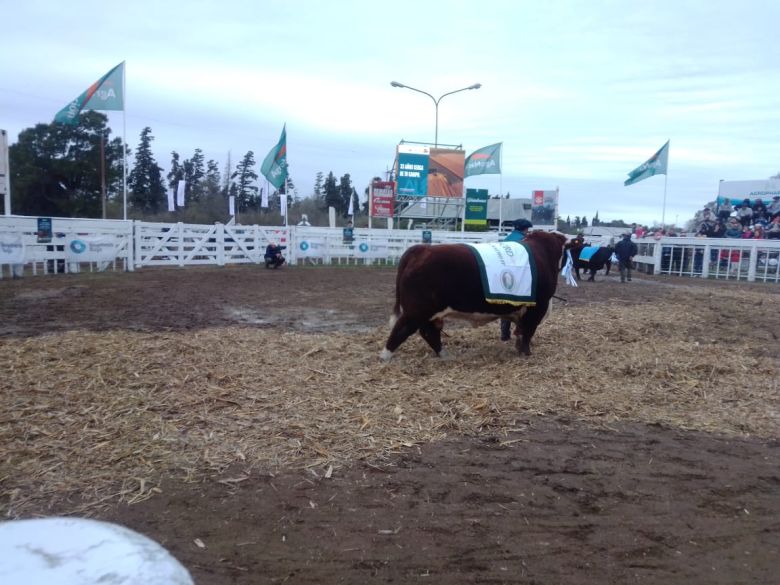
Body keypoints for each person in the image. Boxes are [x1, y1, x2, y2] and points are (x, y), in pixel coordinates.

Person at [500, 219, 533, 341]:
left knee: (505, 303)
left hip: (505, 276)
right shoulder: (525, 241)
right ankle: (520, 332)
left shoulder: (506, 239)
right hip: (520, 276)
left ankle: (504, 333)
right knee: (522, 306)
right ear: (525, 229)